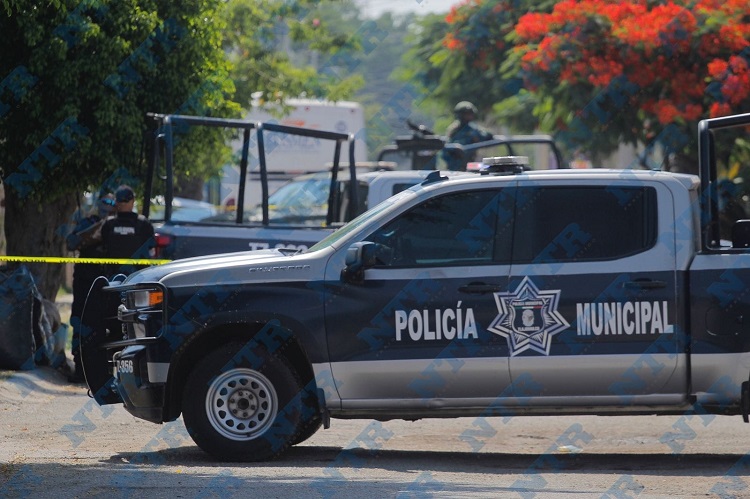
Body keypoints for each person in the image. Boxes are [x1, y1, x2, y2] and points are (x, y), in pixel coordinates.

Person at [66, 191, 117, 383]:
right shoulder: (89, 222)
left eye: (113, 201)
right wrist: (98, 229)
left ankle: (106, 373)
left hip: (109, 284)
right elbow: (71, 243)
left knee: (110, 327)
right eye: (106, 201)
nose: (109, 205)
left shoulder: (118, 226)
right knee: (80, 323)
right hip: (85, 283)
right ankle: (80, 369)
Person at [101, 185, 156, 278]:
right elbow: (152, 250)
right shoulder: (143, 223)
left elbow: (103, 247)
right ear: (133, 200)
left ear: (116, 202)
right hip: (138, 277)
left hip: (113, 277)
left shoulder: (108, 224)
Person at [443, 101, 494, 171]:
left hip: (471, 165)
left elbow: (488, 136)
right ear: (460, 115)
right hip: (455, 167)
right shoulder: (453, 130)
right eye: (466, 114)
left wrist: (477, 138)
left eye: (470, 114)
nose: (469, 116)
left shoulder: (473, 129)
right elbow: (445, 150)